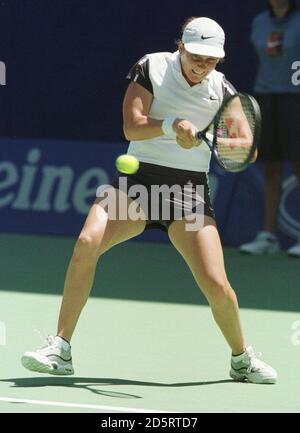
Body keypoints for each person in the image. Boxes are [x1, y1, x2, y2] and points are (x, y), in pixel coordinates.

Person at [21, 17, 277, 384]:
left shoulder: (222, 90)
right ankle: (60, 347)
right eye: (197, 55)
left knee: (217, 284)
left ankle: (241, 359)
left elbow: (247, 151)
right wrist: (173, 125)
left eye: (212, 58)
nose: (203, 64)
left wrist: (225, 143)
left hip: (188, 194)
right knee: (87, 242)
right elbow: (132, 125)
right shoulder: (152, 67)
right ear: (182, 46)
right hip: (137, 185)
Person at [239, 0, 300, 257]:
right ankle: (269, 236)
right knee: (270, 168)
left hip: (296, 98)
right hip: (266, 98)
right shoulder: (259, 22)